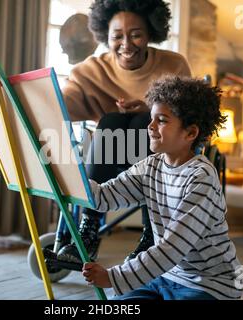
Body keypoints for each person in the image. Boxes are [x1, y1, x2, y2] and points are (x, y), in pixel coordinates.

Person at [81, 76, 243, 300]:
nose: (150, 126)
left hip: (209, 285)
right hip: (165, 275)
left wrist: (113, 277)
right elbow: (103, 197)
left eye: (162, 120)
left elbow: (172, 248)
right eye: (151, 118)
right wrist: (69, 178)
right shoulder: (151, 166)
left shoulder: (201, 178)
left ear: (190, 133)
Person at [58, 0, 192, 264]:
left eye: (136, 35)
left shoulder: (173, 65)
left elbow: (190, 114)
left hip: (157, 156)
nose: (126, 44)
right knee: (109, 121)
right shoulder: (91, 70)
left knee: (144, 120)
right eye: (117, 36)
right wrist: (9, 91)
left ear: (151, 33)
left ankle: (152, 233)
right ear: (105, 36)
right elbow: (63, 103)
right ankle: (89, 230)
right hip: (110, 155)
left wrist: (153, 110)